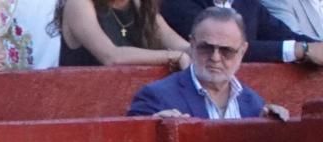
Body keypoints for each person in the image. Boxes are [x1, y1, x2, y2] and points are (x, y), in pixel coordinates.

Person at [128, 5, 286, 115]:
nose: (215, 58)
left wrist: (273, 128)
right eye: (206, 48)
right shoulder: (156, 98)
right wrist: (153, 128)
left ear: (242, 51)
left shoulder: (255, 105)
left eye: (226, 51)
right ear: (192, 44)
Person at [161, 0, 319, 62]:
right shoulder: (178, 4)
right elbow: (226, 47)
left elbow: (283, 34)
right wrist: (300, 49)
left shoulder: (247, 3)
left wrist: (314, 46)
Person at [54, 0, 190, 66]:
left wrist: (198, 50)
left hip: (133, 98)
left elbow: (176, 42)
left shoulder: (139, 4)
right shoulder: (79, 3)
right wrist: (173, 56)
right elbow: (111, 57)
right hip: (84, 101)